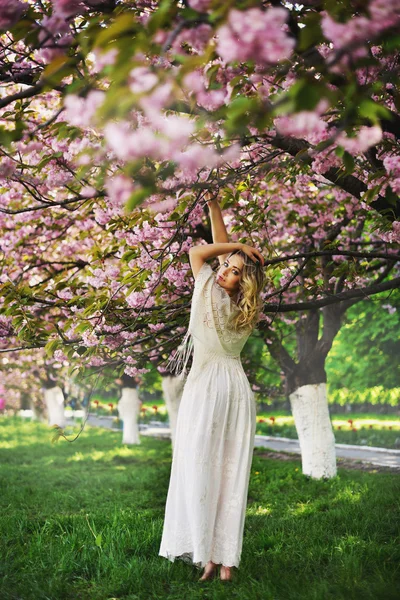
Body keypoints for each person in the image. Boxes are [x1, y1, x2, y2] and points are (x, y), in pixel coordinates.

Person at [159, 197, 266, 582]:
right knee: (228, 471)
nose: (223, 272)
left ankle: (212, 556)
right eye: (225, 268)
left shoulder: (207, 289)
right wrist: (216, 211)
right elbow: (220, 257)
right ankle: (221, 560)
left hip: (206, 389)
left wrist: (238, 249)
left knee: (202, 467)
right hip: (235, 388)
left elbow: (199, 251)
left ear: (242, 280)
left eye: (233, 271)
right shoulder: (247, 305)